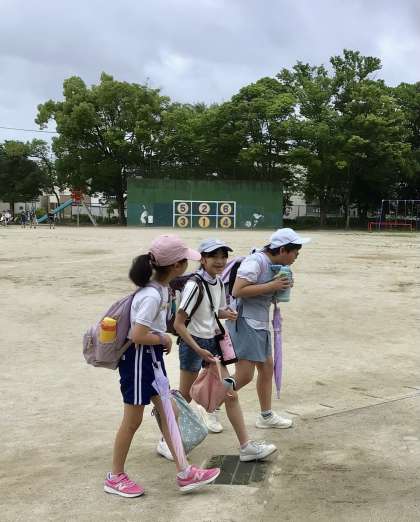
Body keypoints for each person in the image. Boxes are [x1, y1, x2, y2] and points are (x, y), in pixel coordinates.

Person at [104, 235, 220, 498]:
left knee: (171, 413)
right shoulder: (151, 295)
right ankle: (115, 476)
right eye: (185, 260)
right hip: (138, 361)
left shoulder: (162, 290)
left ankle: (184, 471)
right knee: (132, 421)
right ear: (176, 265)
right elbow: (137, 335)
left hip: (152, 360)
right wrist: (163, 338)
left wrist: (160, 338)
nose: (188, 264)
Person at [159, 238, 276, 463]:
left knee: (229, 393)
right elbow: (179, 324)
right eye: (214, 256)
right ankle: (166, 440)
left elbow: (212, 311)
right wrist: (197, 349)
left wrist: (225, 314)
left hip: (211, 344)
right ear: (203, 259)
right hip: (193, 345)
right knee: (184, 396)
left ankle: (246, 447)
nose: (220, 261)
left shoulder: (219, 283)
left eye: (223, 257)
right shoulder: (195, 285)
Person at [227, 228, 310, 429]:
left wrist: (280, 288)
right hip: (245, 322)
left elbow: (265, 292)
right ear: (282, 250)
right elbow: (238, 290)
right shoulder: (256, 262)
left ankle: (265, 415)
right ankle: (209, 406)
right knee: (244, 375)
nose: (296, 257)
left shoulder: (274, 265)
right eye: (295, 253)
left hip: (259, 322)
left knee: (266, 369)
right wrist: (272, 286)